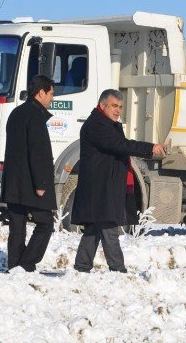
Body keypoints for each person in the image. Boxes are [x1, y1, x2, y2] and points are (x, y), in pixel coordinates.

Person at [71, 89, 166, 273]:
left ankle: (82, 266)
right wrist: (150, 148)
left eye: (120, 107)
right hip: (100, 186)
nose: (118, 110)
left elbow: (121, 145)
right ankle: (118, 270)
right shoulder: (96, 126)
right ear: (102, 105)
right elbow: (121, 145)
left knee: (94, 228)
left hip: (104, 185)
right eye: (114, 106)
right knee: (109, 227)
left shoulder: (109, 124)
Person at [0, 75, 56, 272]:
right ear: (41, 93)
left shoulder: (16, 113)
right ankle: (26, 264)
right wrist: (41, 184)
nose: (52, 98)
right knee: (45, 223)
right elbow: (38, 152)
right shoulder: (36, 116)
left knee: (17, 227)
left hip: (14, 181)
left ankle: (14, 265)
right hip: (31, 183)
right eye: (51, 94)